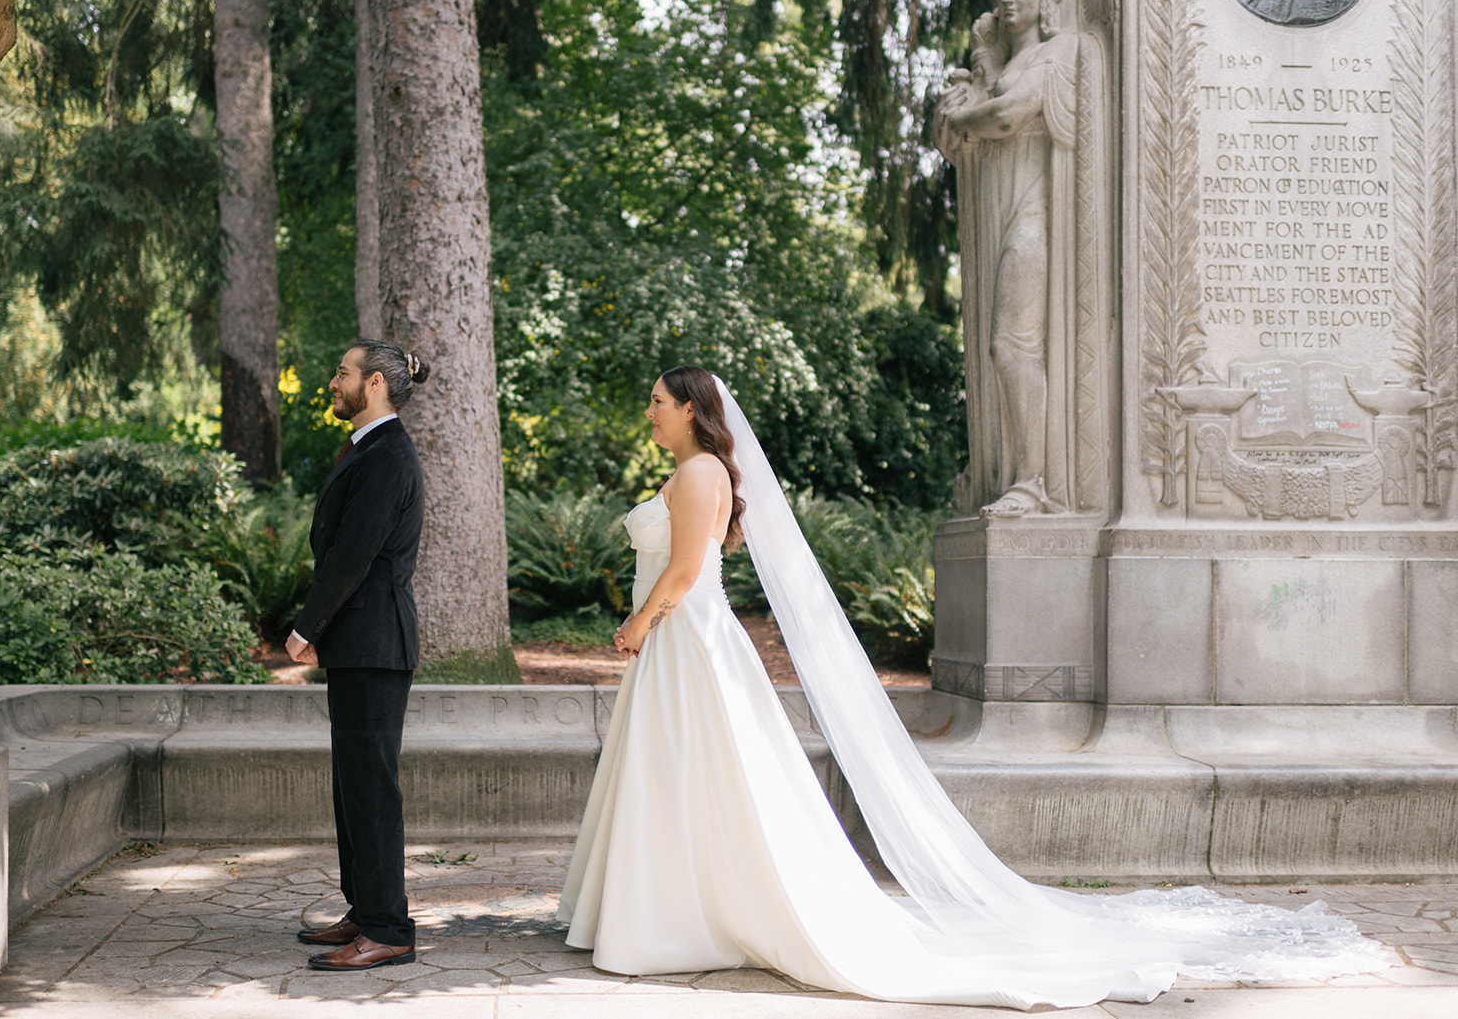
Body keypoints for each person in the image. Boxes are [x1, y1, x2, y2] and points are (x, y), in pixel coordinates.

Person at [557, 365, 1387, 1007]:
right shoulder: (693, 471)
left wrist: (637, 625)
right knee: (678, 773)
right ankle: (660, 901)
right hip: (678, 640)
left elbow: (689, 569)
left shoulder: (701, 472)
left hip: (683, 634)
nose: (651, 411)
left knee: (700, 771)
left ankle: (680, 911)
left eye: (660, 401)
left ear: (693, 409)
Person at [934, 0, 1107, 516]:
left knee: (1011, 343)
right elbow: (954, 136)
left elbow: (1008, 116)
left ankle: (1033, 482)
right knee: (1001, 345)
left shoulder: (1066, 50)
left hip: (1037, 211)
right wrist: (966, 98)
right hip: (1001, 206)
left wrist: (968, 115)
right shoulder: (1003, 63)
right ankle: (1014, 474)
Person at [285, 339, 430, 971]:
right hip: (360, 643)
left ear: (373, 383)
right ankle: (364, 909)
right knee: (352, 786)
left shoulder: (388, 456)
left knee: (371, 789)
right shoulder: (370, 448)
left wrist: (306, 625)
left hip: (374, 641)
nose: (333, 380)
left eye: (342, 372)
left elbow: (352, 554)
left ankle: (389, 929)